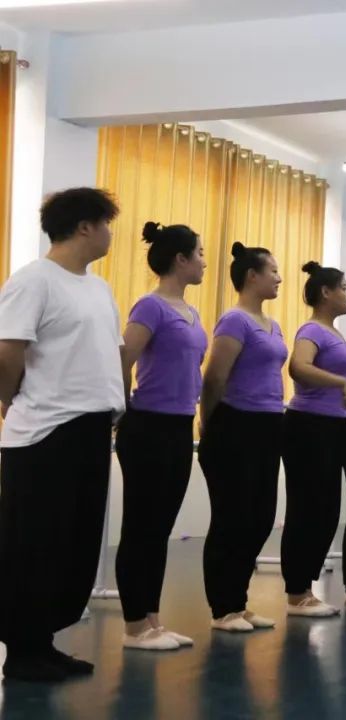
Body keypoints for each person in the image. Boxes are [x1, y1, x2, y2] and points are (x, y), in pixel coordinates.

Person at [0, 188, 123, 682]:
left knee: (74, 544)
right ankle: (22, 651)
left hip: (91, 427)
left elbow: (105, 352)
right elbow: (8, 351)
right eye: (106, 224)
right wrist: (9, 398)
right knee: (35, 545)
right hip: (45, 433)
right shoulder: (34, 281)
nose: (110, 234)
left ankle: (43, 642)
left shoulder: (99, 288)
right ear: (85, 227)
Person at [115, 222, 207, 651]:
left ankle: (152, 619)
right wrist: (122, 411)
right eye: (199, 254)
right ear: (180, 259)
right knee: (141, 526)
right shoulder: (150, 307)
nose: (204, 262)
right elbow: (124, 359)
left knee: (160, 527)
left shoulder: (191, 312)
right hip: (148, 425)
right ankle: (134, 626)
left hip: (178, 425)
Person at [199, 242, 287, 633]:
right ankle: (223, 608)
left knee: (260, 517)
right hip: (235, 424)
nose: (279, 278)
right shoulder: (235, 320)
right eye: (273, 271)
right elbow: (214, 378)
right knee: (231, 517)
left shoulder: (273, 325)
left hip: (269, 424)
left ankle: (239, 600)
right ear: (252, 276)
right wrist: (209, 422)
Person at [280, 263, 346, 616]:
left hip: (335, 426)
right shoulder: (312, 329)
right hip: (309, 425)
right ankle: (297, 592)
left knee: (327, 511)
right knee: (307, 508)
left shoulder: (336, 334)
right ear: (325, 292)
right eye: (342, 287)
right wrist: (340, 382)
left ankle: (305, 588)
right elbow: (298, 367)